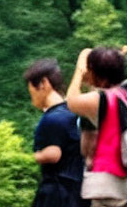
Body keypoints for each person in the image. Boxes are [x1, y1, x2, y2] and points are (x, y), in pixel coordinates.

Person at [67, 46, 127, 207]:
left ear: (95, 74)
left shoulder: (99, 100)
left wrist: (80, 69)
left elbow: (71, 100)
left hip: (111, 177)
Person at [25, 58, 88, 207]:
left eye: (32, 92)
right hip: (78, 191)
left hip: (56, 193)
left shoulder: (53, 118)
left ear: (43, 84)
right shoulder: (73, 112)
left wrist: (28, 158)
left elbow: (53, 154)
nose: (33, 99)